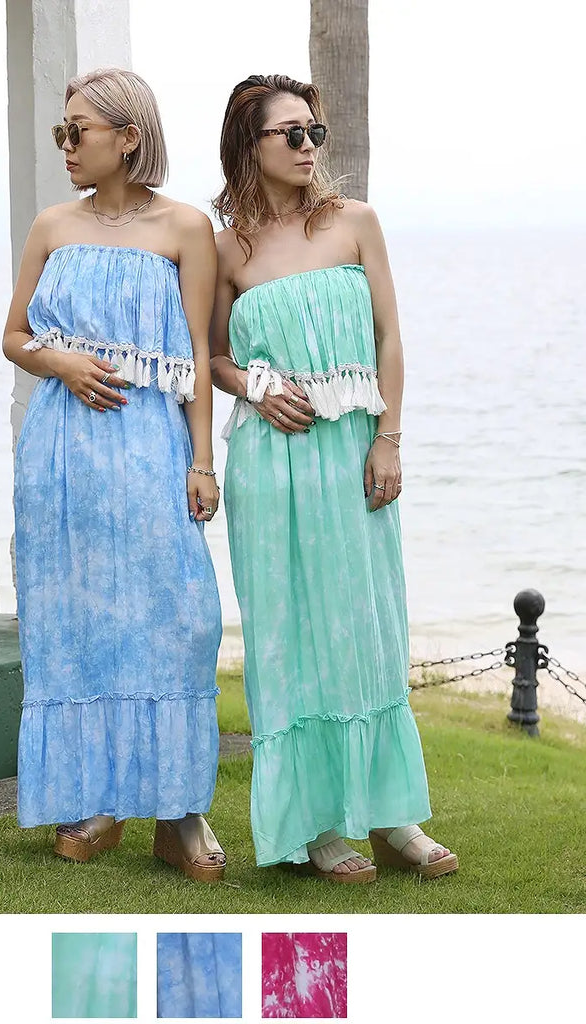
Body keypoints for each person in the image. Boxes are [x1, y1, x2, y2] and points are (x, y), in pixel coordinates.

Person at [210, 74, 458, 881]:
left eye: (314, 130)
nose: (308, 145)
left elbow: (390, 338)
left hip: (352, 453)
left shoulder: (356, 222)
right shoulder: (228, 248)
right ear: (249, 144)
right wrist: (254, 384)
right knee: (289, 634)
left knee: (368, 623)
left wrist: (389, 438)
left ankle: (392, 816)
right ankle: (315, 825)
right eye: (291, 132)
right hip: (271, 463)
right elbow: (213, 355)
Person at [2, 67, 226, 882]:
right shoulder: (53, 225)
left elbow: (197, 354)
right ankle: (95, 799)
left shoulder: (186, 228)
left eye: (78, 131)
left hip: (152, 446)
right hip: (62, 452)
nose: (66, 145)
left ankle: (180, 810)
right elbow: (14, 335)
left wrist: (203, 461)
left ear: (129, 137)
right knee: (77, 620)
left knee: (179, 617)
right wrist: (57, 361)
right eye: (61, 132)